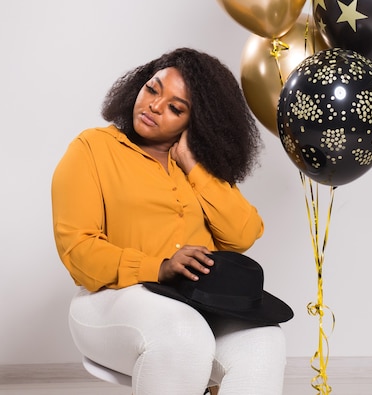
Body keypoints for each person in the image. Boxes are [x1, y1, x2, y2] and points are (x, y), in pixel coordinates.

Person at [51, 47, 288, 395]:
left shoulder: (200, 169)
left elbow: (243, 234)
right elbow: (78, 252)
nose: (154, 107)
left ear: (196, 122)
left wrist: (193, 165)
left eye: (176, 108)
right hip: (109, 300)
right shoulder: (92, 149)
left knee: (265, 340)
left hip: (199, 301)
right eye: (152, 89)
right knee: (183, 333)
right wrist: (159, 267)